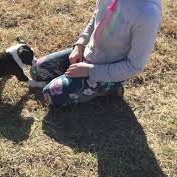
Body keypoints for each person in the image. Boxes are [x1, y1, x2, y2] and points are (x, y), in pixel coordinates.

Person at [29, 0, 162, 106]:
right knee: (37, 70)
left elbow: (134, 66)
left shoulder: (147, 13)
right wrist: (80, 45)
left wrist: (90, 71)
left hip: (110, 71)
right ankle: (77, 78)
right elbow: (96, 17)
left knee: (51, 95)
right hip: (89, 52)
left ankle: (112, 87)